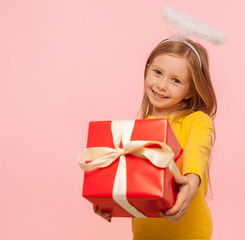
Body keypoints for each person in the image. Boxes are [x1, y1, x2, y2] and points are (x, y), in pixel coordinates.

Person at [93, 37, 217, 240]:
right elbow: (133, 182)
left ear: (190, 91)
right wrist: (108, 201)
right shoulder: (137, 128)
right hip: (144, 235)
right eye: (158, 73)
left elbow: (198, 152)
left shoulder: (197, 121)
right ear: (148, 68)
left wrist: (191, 183)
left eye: (175, 80)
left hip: (191, 235)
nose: (161, 85)